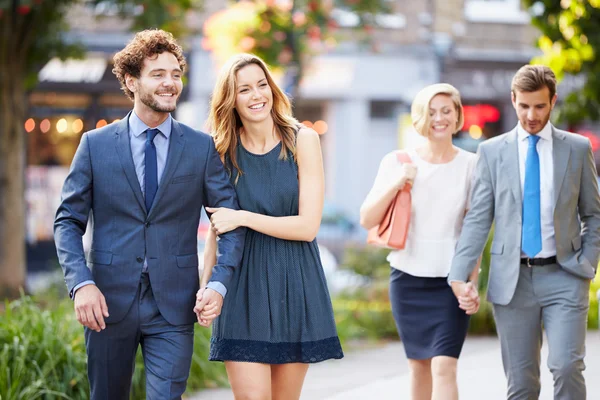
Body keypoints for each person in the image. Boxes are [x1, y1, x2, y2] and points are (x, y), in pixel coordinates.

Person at [54, 29, 245, 399]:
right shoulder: (95, 146)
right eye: (158, 74)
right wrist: (81, 283)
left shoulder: (201, 148)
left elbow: (230, 222)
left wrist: (218, 283)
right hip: (106, 302)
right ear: (131, 80)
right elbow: (68, 221)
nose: (170, 83)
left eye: (175, 74)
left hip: (173, 307)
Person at [196, 53, 343, 400]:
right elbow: (218, 232)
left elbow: (308, 226)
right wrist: (207, 287)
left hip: (294, 280)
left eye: (261, 85)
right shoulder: (220, 151)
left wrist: (243, 216)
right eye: (244, 89)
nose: (256, 95)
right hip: (242, 286)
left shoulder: (302, 139)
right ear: (230, 99)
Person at [448, 64, 600, 399]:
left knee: (566, 365)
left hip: (565, 273)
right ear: (513, 100)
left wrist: (587, 262)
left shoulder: (576, 148)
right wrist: (460, 275)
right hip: (512, 280)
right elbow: (478, 218)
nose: (531, 115)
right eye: (524, 105)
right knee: (521, 383)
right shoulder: (491, 151)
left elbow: (593, 213)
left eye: (540, 106)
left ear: (553, 101)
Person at [360, 83, 480, 400]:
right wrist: (399, 181)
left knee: (444, 366)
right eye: (432, 111)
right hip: (408, 280)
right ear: (421, 118)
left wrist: (471, 281)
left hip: (450, 282)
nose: (439, 118)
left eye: (446, 111)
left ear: (457, 116)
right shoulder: (397, 161)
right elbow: (367, 218)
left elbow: (474, 230)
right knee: (418, 367)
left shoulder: (472, 165)